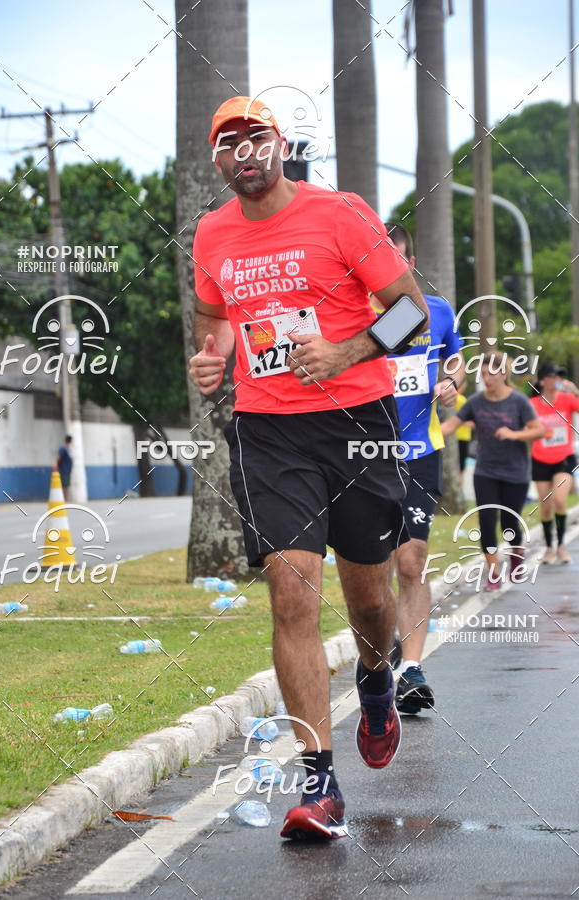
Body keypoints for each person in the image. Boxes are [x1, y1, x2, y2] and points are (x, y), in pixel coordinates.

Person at [189, 96, 429, 841]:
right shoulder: (212, 232)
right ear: (219, 163)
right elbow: (213, 316)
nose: (243, 152)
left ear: (280, 144)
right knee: (291, 593)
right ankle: (320, 782)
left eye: (254, 136)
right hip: (269, 431)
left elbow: (411, 311)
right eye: (227, 144)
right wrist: (212, 357)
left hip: (359, 422)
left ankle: (376, 675)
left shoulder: (341, 214)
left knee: (369, 600)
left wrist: (348, 351)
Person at [372, 224, 464, 716]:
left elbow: (455, 361)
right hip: (363, 457)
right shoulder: (353, 315)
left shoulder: (437, 311)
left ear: (410, 262)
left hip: (419, 451)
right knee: (374, 567)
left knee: (412, 560)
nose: (394, 268)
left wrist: (450, 382)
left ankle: (411, 670)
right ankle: (383, 646)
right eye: (384, 259)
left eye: (401, 259)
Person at [441, 352, 543, 590]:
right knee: (486, 522)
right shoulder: (475, 402)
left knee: (509, 523)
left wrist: (514, 434)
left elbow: (538, 431)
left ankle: (516, 557)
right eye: (483, 374)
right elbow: (450, 425)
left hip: (515, 472)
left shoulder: (518, 401)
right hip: (486, 471)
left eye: (491, 373)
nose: (486, 378)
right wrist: (426, 436)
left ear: (504, 374)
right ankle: (494, 573)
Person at [529, 362, 579, 564]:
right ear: (542, 380)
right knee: (546, 506)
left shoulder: (567, 399)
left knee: (559, 500)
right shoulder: (532, 404)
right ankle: (549, 547)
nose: (556, 379)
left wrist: (574, 390)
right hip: (540, 458)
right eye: (552, 376)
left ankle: (561, 546)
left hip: (564, 458)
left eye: (559, 376)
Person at [455, 392, 474, 486]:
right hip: (462, 437)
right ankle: (459, 485)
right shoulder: (462, 400)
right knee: (461, 466)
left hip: (453, 437)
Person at [57, 435, 73, 501]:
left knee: (66, 485)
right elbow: (59, 458)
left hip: (67, 470)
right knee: (64, 485)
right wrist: (56, 465)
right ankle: (64, 499)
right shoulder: (63, 448)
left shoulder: (68, 448)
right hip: (64, 470)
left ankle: (65, 498)